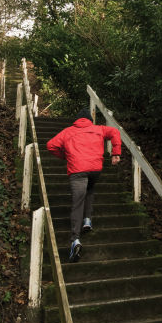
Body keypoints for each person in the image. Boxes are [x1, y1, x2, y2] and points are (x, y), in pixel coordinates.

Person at [46, 109, 121, 262]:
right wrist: (115, 153)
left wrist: (66, 156)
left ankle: (75, 239)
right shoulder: (98, 129)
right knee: (90, 189)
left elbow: (50, 145)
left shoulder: (68, 132)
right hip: (95, 169)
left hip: (77, 171)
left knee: (77, 202)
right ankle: (87, 219)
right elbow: (114, 131)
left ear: (77, 120)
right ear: (89, 120)